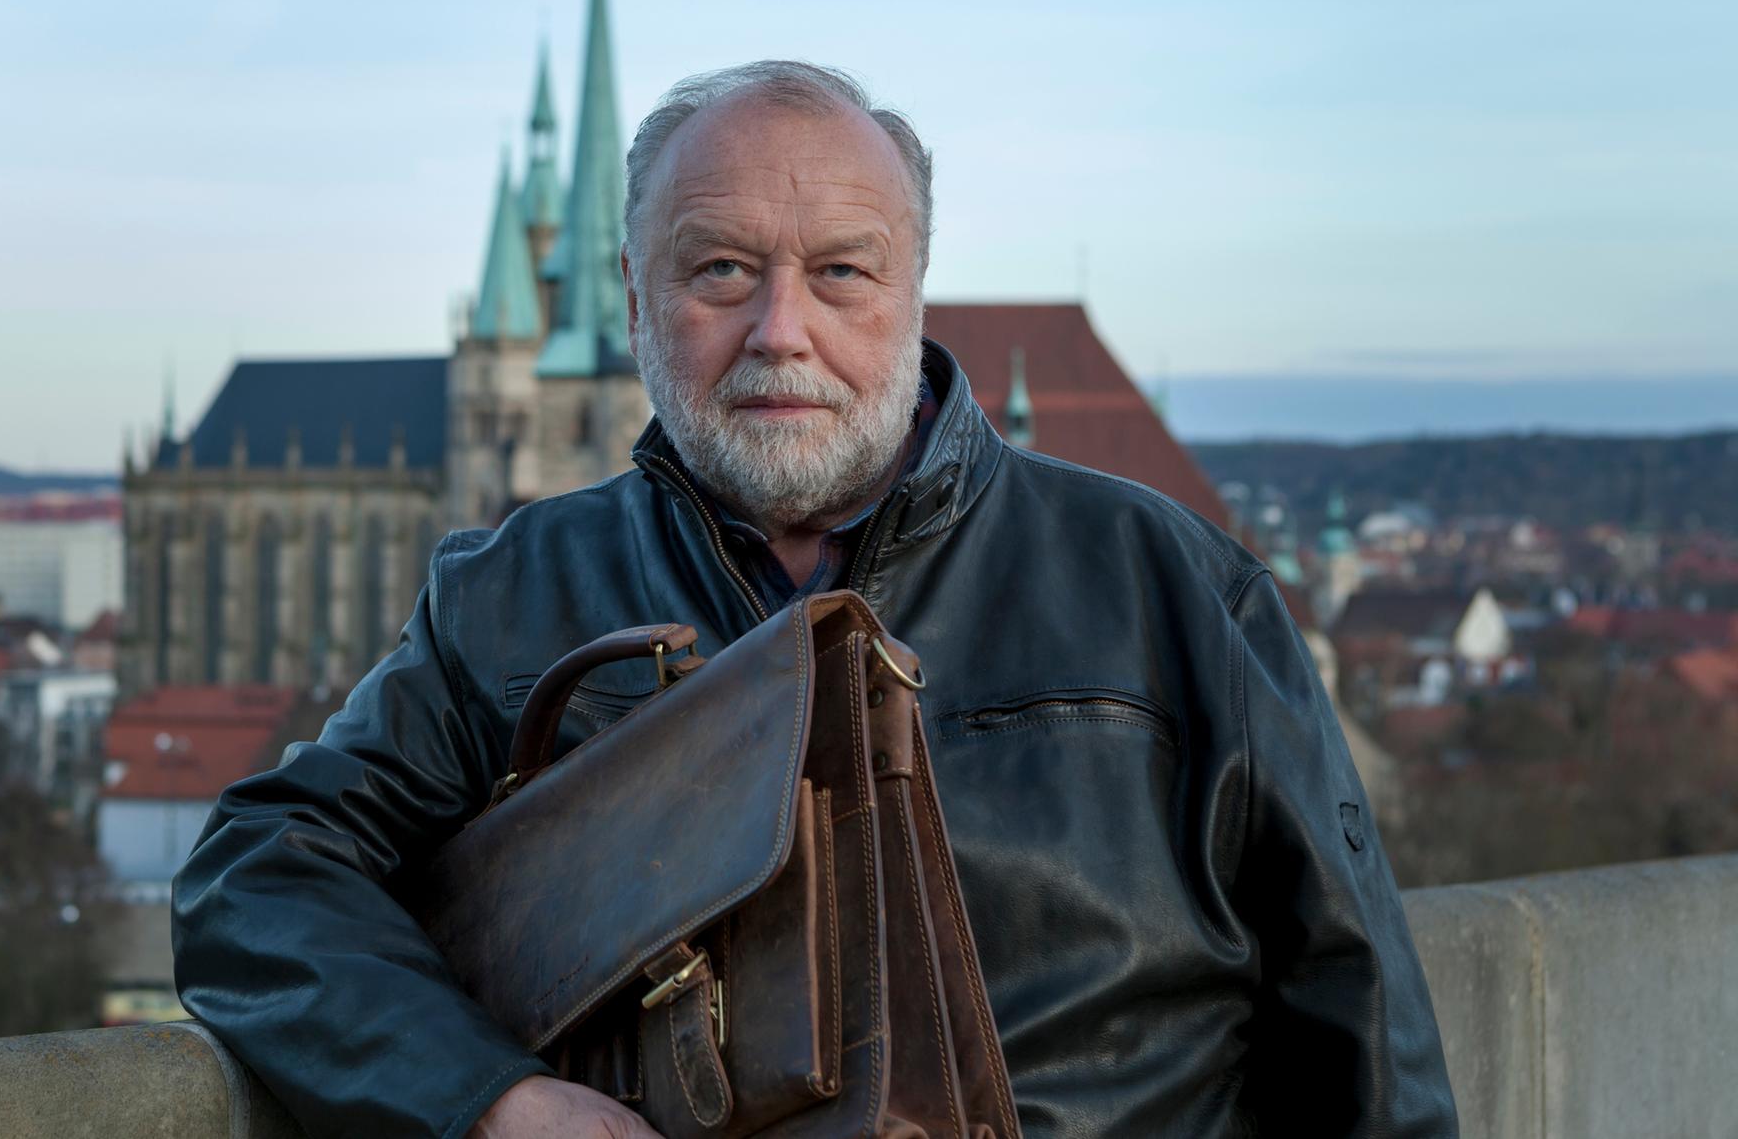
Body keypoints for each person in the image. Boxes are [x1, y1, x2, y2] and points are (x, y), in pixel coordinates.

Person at [172, 61, 1458, 1138]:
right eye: (722, 269)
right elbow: (254, 879)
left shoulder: (1171, 590)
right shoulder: (512, 597)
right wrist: (489, 1098)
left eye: (841, 271)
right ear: (635, 302)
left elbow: (1365, 1038)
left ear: (910, 294)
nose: (781, 328)